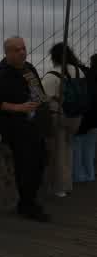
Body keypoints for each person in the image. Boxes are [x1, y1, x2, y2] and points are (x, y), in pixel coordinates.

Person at [0, 36, 51, 222]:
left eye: (23, 48)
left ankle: (31, 201)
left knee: (40, 162)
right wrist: (19, 108)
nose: (22, 52)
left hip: (35, 125)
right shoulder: (0, 76)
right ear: (7, 53)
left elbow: (38, 93)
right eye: (17, 50)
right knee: (25, 167)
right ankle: (27, 204)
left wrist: (41, 102)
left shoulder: (28, 69)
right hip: (17, 128)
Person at [42, 43, 84, 197]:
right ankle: (68, 183)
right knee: (68, 150)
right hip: (76, 116)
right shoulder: (79, 71)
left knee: (57, 153)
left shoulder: (52, 75)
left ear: (54, 57)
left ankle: (60, 188)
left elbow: (42, 98)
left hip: (58, 116)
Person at [73, 53, 97, 182]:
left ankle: (78, 176)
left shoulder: (86, 75)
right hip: (94, 120)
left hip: (83, 118)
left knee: (77, 148)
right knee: (90, 149)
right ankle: (90, 174)